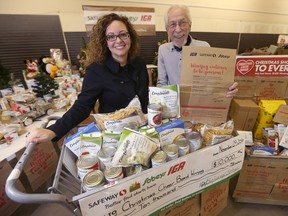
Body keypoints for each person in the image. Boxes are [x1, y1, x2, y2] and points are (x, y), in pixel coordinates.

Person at [26, 13, 149, 144]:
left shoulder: (139, 64)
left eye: (123, 34)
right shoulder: (96, 70)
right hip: (115, 137)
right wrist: (54, 130)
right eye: (111, 36)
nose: (118, 40)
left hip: (142, 130)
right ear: (104, 42)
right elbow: (83, 106)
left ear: (130, 36)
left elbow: (144, 98)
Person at [157, 5, 238, 98]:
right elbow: (162, 83)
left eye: (182, 23)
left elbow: (214, 80)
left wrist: (228, 88)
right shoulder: (163, 50)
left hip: (198, 104)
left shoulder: (204, 47)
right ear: (167, 29)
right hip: (174, 105)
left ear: (190, 25)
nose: (178, 29)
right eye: (172, 24)